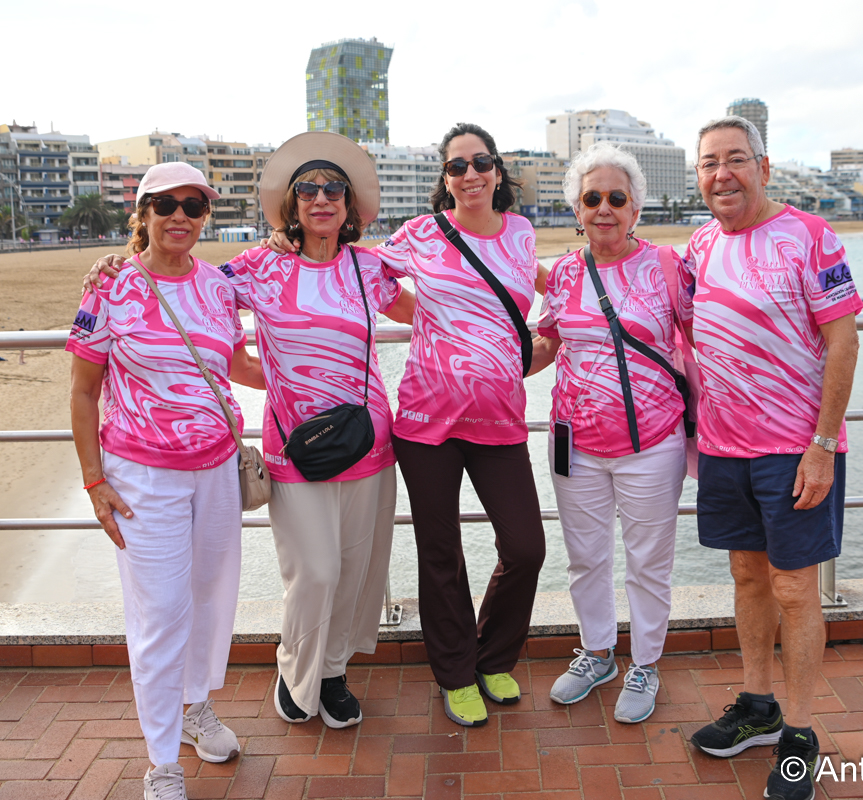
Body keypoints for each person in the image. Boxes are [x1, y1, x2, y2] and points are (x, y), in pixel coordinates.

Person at [86, 132, 415, 732]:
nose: (321, 199)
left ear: (349, 205)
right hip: (296, 446)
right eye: (308, 190)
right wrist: (116, 265)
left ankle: (333, 671)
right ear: (293, 204)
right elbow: (184, 285)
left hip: (370, 441)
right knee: (315, 570)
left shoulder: (370, 268)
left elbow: (428, 313)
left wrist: (501, 331)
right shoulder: (258, 268)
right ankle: (296, 670)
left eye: (333, 189)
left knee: (355, 569)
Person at [268, 123, 548, 727]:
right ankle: (455, 674)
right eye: (457, 166)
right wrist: (429, 316)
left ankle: (493, 656)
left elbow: (549, 287)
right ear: (444, 178)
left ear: (498, 171)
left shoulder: (522, 233)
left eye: (481, 162)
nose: (470, 174)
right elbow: (361, 272)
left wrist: (566, 317)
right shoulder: (421, 233)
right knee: (440, 553)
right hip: (425, 423)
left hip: (500, 421)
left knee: (527, 547)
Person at [68, 163, 265, 800]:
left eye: (194, 205)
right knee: (159, 613)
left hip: (216, 469)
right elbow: (83, 390)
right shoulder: (111, 287)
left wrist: (318, 376)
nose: (180, 216)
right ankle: (162, 763)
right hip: (142, 478)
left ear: (205, 216)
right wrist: (94, 482)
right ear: (143, 213)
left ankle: (193, 707)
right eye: (166, 204)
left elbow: (235, 362)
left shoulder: (217, 287)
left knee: (211, 596)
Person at [679, 117, 861, 800]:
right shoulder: (700, 245)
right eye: (709, 163)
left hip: (794, 448)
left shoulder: (811, 236)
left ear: (764, 166)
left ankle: (801, 733)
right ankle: (758, 706)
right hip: (723, 446)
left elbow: (843, 342)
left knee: (794, 588)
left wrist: (823, 445)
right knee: (748, 576)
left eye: (736, 159)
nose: (722, 174)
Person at [528, 142, 688, 724]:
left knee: (648, 563)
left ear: (635, 208)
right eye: (591, 198)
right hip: (575, 443)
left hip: (653, 443)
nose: (603, 208)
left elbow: (705, 336)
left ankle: (645, 663)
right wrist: (492, 366)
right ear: (577, 209)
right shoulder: (565, 273)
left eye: (616, 198)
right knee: (585, 558)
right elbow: (548, 342)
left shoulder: (668, 267)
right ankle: (597, 653)